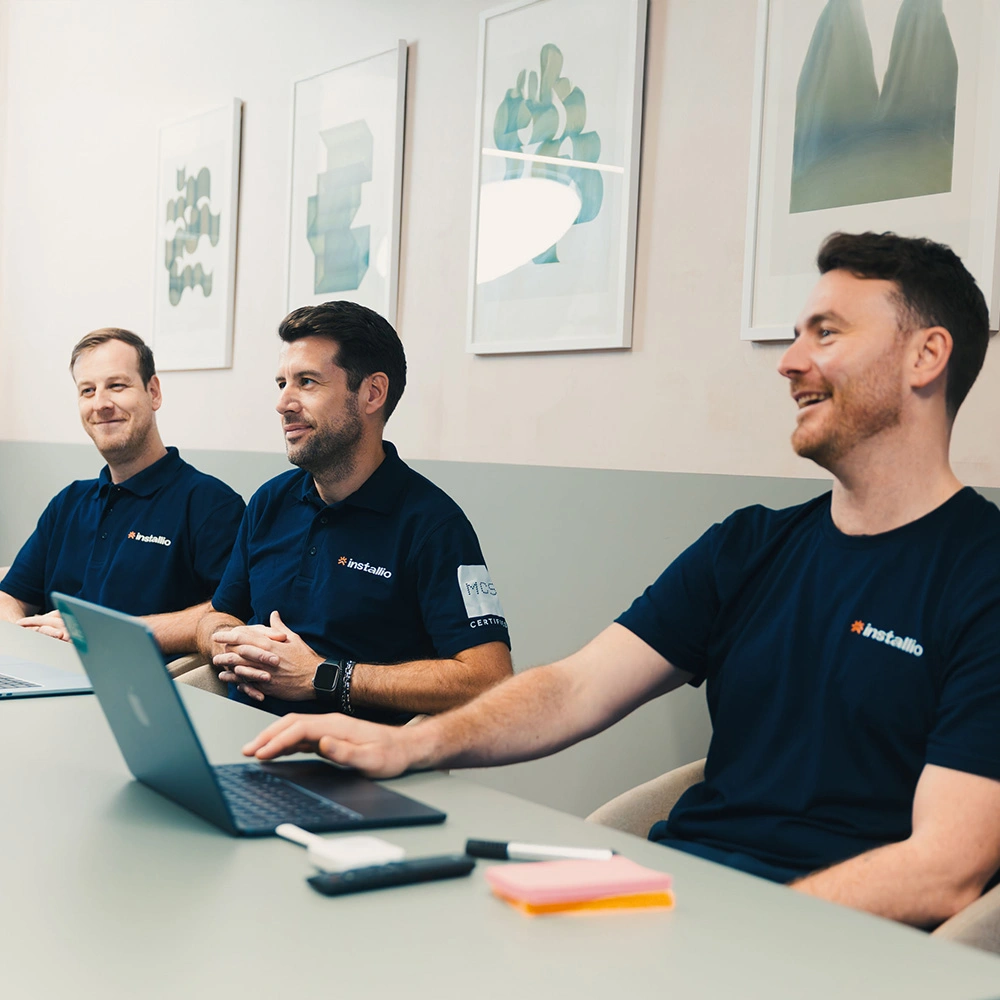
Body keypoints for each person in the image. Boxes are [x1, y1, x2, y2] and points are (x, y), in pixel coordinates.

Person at [243, 232, 1000, 929]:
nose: (789, 360)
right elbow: (575, 687)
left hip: (815, 939)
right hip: (674, 895)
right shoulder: (751, 545)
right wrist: (410, 746)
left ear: (925, 356)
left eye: (826, 332)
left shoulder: (982, 576)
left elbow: (944, 873)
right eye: (797, 333)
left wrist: (727, 929)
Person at [196, 301, 512, 722]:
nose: (283, 403)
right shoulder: (269, 501)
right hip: (242, 743)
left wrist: (324, 677)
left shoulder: (433, 526)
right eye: (281, 383)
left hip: (352, 771)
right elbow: (219, 613)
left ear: (372, 393)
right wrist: (229, 643)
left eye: (306, 382)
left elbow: (490, 681)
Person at [0, 328, 245, 655]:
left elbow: (227, 613)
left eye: (116, 385)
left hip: (136, 689)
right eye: (87, 390)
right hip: (45, 673)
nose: (100, 404)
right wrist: (23, 637)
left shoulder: (210, 505)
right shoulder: (68, 503)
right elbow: (11, 595)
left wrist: (104, 633)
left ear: (153, 392)